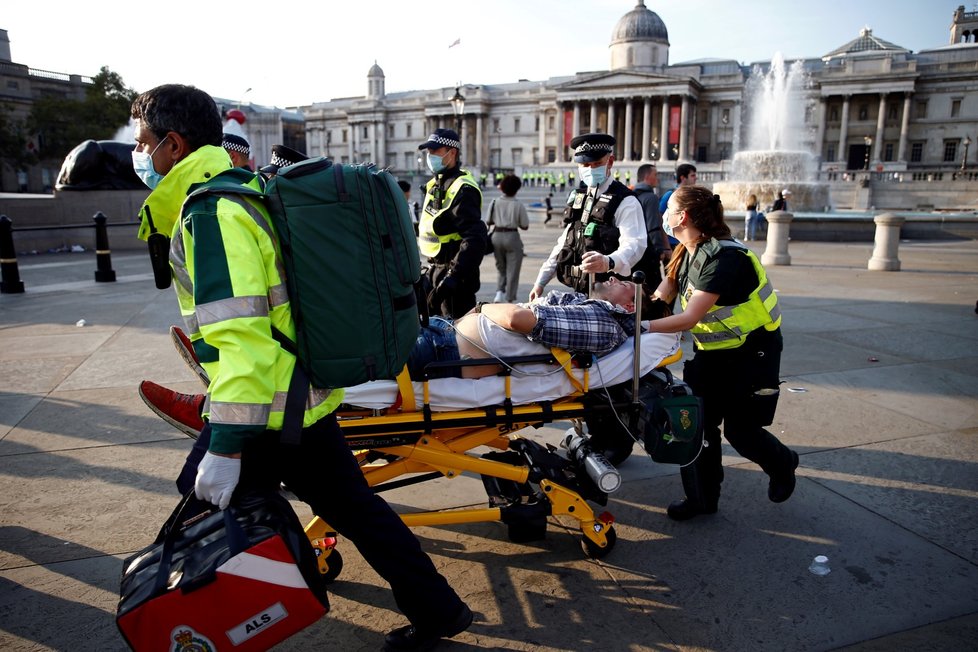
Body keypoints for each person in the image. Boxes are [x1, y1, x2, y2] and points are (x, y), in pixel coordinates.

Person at [129, 84, 471, 651]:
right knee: (357, 510)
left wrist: (227, 442)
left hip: (263, 408)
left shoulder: (212, 212)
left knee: (206, 509)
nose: (138, 156)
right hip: (300, 395)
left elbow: (242, 336)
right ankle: (437, 610)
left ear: (172, 145)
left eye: (143, 143)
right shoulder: (243, 191)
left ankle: (223, 628)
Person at [646, 185, 799, 521]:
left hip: (753, 354)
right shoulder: (687, 250)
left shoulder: (725, 259)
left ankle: (783, 463)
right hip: (712, 353)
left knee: (741, 432)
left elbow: (689, 317)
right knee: (699, 427)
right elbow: (665, 292)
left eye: (668, 208)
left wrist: (640, 329)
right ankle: (702, 499)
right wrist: (635, 303)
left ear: (683, 216)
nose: (663, 215)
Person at [529, 133, 647, 301]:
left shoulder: (625, 200)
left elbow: (635, 244)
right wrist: (541, 281)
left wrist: (609, 262)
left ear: (610, 162)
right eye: (585, 164)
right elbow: (565, 242)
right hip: (581, 290)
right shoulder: (579, 197)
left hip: (611, 294)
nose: (590, 169)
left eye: (597, 164)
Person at [417, 128, 487, 319]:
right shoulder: (435, 184)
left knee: (455, 339)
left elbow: (475, 239)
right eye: (428, 152)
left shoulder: (463, 188)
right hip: (435, 270)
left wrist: (452, 279)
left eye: (435, 152)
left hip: (455, 279)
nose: (430, 156)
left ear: (452, 153)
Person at [486, 174, 529, 303]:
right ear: (517, 189)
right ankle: (510, 298)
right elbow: (525, 225)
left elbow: (489, 220)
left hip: (496, 236)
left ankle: (499, 293)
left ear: (502, 188)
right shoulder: (518, 205)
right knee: (513, 269)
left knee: (501, 267)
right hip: (512, 236)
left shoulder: (494, 202)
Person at [632, 163, 671, 288]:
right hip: (649, 251)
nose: (657, 178)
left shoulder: (631, 196)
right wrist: (660, 249)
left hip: (634, 249)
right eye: (655, 175)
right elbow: (653, 226)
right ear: (647, 176)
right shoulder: (651, 197)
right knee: (654, 287)